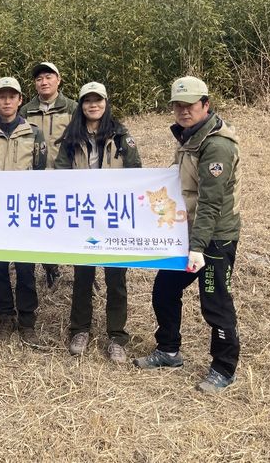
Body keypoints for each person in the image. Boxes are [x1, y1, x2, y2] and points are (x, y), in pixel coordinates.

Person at [134, 76, 241, 394]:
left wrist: (197, 248)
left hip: (215, 237)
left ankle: (224, 368)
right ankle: (168, 350)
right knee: (164, 290)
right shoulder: (189, 137)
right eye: (177, 105)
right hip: (188, 231)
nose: (183, 111)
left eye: (190, 105)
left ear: (205, 105)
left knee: (215, 301)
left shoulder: (217, 146)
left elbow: (210, 203)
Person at [53, 82, 142, 363]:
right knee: (83, 275)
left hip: (114, 217)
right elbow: (59, 174)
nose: (93, 105)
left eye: (98, 100)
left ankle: (117, 336)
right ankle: (80, 329)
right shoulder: (71, 138)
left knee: (116, 278)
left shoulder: (121, 136)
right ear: (81, 105)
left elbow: (136, 173)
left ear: (106, 103)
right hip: (84, 216)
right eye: (88, 101)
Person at [0, 77, 47, 347]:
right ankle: (4, 317)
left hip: (24, 211)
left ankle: (27, 320)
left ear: (20, 100)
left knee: (26, 267)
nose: (6, 101)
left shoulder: (34, 133)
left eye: (11, 96)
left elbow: (40, 172)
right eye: (1, 96)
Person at [19, 61, 78, 288]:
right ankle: (49, 267)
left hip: (65, 175)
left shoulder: (72, 107)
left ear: (58, 80)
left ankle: (81, 269)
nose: (44, 82)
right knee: (41, 223)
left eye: (48, 77)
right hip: (36, 177)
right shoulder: (26, 111)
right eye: (39, 79)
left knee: (69, 223)